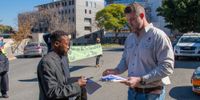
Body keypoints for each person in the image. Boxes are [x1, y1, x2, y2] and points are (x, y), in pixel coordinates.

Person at [103, 3, 174, 100]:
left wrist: (141, 79)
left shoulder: (158, 36)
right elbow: (125, 59)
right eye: (127, 20)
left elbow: (167, 66)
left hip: (152, 95)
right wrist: (116, 71)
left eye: (132, 19)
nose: (129, 23)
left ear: (142, 16)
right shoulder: (130, 38)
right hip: (132, 93)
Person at [37, 30, 87, 100]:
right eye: (66, 44)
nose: (68, 47)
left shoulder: (61, 58)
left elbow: (62, 81)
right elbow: (52, 92)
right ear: (56, 44)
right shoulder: (47, 62)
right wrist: (77, 85)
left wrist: (76, 80)